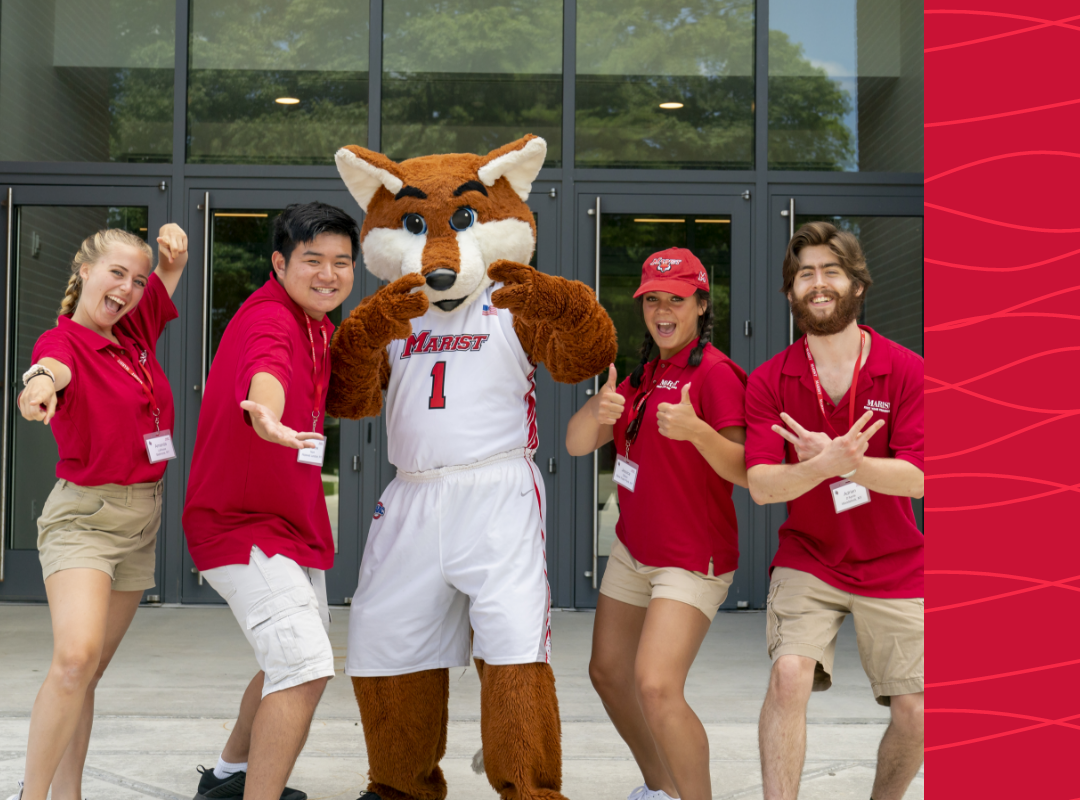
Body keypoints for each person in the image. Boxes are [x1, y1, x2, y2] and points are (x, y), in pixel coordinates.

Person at [182, 202, 357, 800]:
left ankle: (231, 775)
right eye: (312, 260)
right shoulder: (271, 319)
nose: (329, 274)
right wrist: (267, 415)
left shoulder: (317, 323)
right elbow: (267, 371)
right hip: (242, 526)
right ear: (280, 264)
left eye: (341, 262)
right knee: (304, 666)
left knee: (287, 656)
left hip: (288, 526)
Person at [7, 225, 188, 800]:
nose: (128, 289)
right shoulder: (61, 342)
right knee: (74, 660)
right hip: (84, 518)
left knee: (87, 674)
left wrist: (172, 258)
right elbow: (47, 369)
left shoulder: (131, 329)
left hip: (141, 521)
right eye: (116, 274)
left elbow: (163, 283)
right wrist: (37, 387)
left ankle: (69, 795)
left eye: (136, 280)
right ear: (83, 271)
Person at [745, 221, 924, 800]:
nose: (817, 284)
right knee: (789, 675)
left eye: (830, 271)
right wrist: (821, 467)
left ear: (857, 285)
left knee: (916, 711)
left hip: (896, 561)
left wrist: (848, 463)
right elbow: (763, 486)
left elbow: (919, 479)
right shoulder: (771, 380)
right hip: (811, 557)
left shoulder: (906, 370)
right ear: (791, 292)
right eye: (805, 275)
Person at [567, 247, 748, 800]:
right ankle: (660, 788)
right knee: (608, 674)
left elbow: (745, 472)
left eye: (676, 298)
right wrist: (597, 412)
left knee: (656, 686)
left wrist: (697, 432)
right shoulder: (641, 376)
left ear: (700, 303)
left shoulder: (716, 374)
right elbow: (576, 446)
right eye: (653, 300)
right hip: (632, 551)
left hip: (691, 558)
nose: (663, 310)